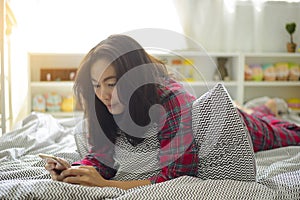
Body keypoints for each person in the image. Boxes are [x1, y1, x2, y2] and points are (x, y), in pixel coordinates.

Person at [45, 34, 300, 190]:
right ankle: (264, 107)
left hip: (226, 125)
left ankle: (260, 111)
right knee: (261, 112)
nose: (103, 94)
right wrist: (74, 169)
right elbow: (101, 156)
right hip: (193, 117)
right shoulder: (104, 103)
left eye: (112, 84)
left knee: (288, 133)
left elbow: (176, 175)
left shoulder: (172, 99)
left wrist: (107, 186)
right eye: (96, 85)